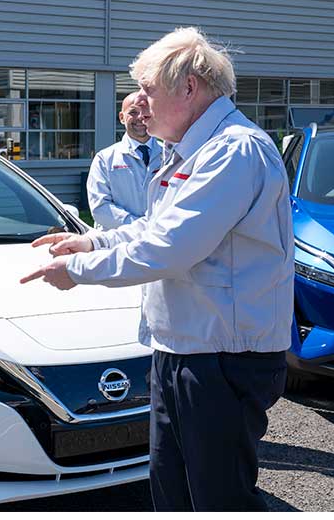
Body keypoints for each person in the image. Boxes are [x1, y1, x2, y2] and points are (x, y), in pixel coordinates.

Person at [20, 27, 292, 512]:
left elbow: (169, 248)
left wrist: (80, 269)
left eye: (148, 90)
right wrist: (93, 239)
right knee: (172, 492)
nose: (139, 104)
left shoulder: (233, 150)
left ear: (189, 87)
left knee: (217, 500)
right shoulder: (194, 150)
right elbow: (154, 227)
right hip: (185, 349)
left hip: (221, 358)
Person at [86, 91, 162, 229]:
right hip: (118, 243)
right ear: (122, 117)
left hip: (160, 241)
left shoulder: (170, 155)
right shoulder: (105, 159)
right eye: (133, 112)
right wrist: (141, 228)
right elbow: (101, 208)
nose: (140, 118)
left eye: (146, 112)